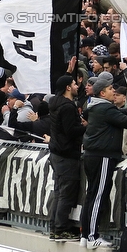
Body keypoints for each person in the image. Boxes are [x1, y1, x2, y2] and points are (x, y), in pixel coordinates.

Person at [81, 75, 127, 248]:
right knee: (98, 196)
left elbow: (119, 114)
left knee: (91, 195)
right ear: (102, 92)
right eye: (110, 88)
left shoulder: (96, 107)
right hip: (103, 157)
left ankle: (85, 235)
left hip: (91, 156)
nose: (113, 90)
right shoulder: (105, 108)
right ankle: (92, 237)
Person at [48, 74, 86, 241]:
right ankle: (60, 229)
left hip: (57, 153)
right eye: (74, 84)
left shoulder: (55, 103)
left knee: (58, 192)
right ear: (68, 88)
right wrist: (85, 126)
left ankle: (54, 226)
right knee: (65, 194)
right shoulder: (68, 107)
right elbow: (70, 131)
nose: (77, 86)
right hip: (67, 155)